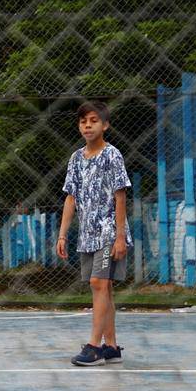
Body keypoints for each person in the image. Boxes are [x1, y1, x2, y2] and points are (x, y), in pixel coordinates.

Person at [54, 102, 132, 366]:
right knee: (103, 287)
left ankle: (94, 347)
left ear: (105, 125)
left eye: (93, 120)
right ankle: (111, 347)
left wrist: (120, 237)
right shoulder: (76, 158)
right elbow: (70, 198)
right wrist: (63, 234)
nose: (87, 125)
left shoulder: (112, 155)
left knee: (99, 284)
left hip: (109, 231)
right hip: (87, 234)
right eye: (83, 121)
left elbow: (120, 196)